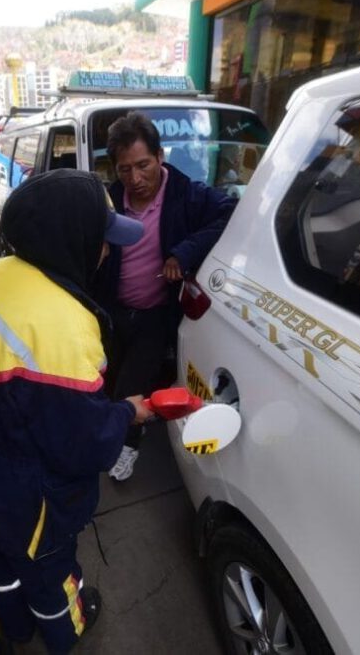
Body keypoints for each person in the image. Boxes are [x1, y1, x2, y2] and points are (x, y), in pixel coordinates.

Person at [0, 169, 152, 653]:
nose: (107, 251)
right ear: (70, 237)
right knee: (51, 576)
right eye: (102, 239)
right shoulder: (63, 325)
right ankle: (63, 632)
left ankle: (14, 626)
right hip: (25, 499)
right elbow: (83, 441)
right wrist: (129, 413)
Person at [94, 111, 237, 481]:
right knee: (106, 383)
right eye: (125, 169)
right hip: (112, 312)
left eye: (143, 165)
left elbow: (229, 214)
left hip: (156, 315)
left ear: (160, 156)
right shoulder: (108, 200)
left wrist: (184, 253)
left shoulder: (188, 195)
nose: (136, 178)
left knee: (132, 387)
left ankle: (125, 451)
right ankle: (110, 437)